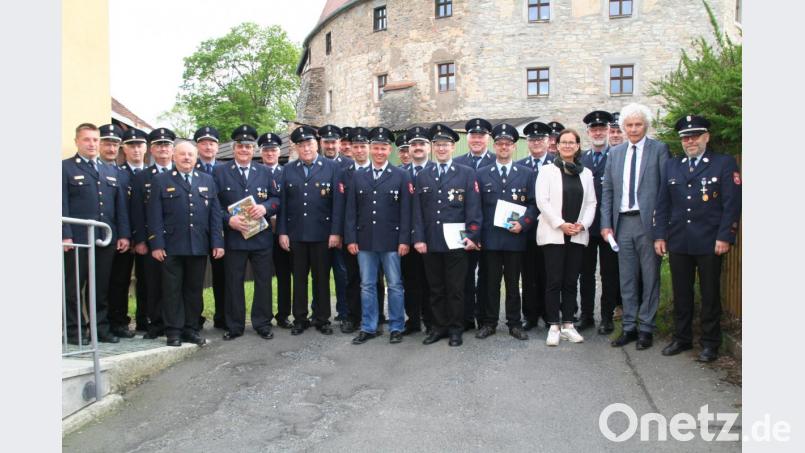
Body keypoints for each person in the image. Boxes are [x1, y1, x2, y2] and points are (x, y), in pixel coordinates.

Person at [654, 115, 741, 362]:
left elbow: (731, 204)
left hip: (710, 240)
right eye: (685, 137)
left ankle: (710, 343)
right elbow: (663, 204)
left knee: (710, 293)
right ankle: (681, 338)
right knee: (682, 293)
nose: (690, 141)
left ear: (706, 137)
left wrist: (725, 236)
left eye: (694, 136)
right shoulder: (672, 165)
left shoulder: (723, 164)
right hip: (679, 239)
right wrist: (660, 234)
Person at [601, 103, 671, 350]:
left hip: (648, 224)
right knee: (627, 278)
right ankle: (629, 327)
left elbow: (665, 191)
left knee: (650, 277)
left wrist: (661, 229)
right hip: (622, 224)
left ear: (646, 125)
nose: (633, 129)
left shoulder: (659, 150)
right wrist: (606, 224)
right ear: (623, 127)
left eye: (638, 124)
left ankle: (647, 328)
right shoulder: (615, 153)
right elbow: (607, 190)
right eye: (629, 125)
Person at [147, 141, 224, 347]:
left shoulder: (207, 180)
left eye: (191, 154)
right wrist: (156, 244)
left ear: (196, 157)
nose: (187, 158)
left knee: (193, 290)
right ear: (174, 156)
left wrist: (217, 241)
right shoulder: (161, 180)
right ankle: (173, 331)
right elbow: (154, 215)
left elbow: (215, 214)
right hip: (171, 246)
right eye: (182, 154)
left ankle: (191, 328)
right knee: (172, 290)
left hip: (198, 245)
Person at [412, 123, 482, 347]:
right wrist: (419, 238)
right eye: (438, 145)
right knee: (435, 288)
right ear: (433, 148)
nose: (441, 149)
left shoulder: (466, 173)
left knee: (456, 288)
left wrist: (473, 235)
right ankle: (438, 327)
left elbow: (473, 208)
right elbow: (418, 211)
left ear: (453, 147)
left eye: (445, 145)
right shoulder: (423, 174)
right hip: (431, 241)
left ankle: (455, 329)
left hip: (457, 241)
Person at [62, 123, 131, 345]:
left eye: (95, 140)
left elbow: (119, 206)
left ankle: (99, 328)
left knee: (100, 287)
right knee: (74, 288)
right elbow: (60, 204)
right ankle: (74, 331)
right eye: (87, 139)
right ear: (77, 142)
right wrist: (65, 235)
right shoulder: (66, 168)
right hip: (78, 240)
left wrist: (122, 235)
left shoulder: (111, 170)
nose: (91, 144)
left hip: (105, 239)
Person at [345, 127, 412, 344]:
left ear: (389, 150)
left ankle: (396, 326)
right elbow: (351, 211)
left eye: (384, 148)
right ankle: (369, 326)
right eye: (376, 147)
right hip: (364, 240)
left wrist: (404, 240)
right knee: (367, 285)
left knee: (394, 284)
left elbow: (405, 212)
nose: (380, 151)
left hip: (392, 241)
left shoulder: (401, 175)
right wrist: (351, 238)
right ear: (370, 149)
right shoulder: (358, 176)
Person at [214, 125, 280, 341]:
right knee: (233, 282)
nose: (245, 150)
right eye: (241, 146)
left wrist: (266, 208)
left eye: (249, 147)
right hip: (235, 237)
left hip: (261, 237)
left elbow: (276, 199)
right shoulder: (220, 172)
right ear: (234, 149)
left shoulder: (264, 171)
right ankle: (235, 325)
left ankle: (262, 323)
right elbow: (213, 206)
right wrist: (228, 220)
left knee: (263, 282)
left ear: (254, 150)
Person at [278, 125, 344, 335]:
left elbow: (337, 204)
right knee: (298, 278)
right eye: (301, 145)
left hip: (322, 234)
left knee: (321, 278)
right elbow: (283, 205)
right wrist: (283, 232)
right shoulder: (288, 169)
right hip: (296, 234)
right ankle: (300, 318)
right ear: (296, 148)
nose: (305, 148)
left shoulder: (332, 168)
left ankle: (322, 318)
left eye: (309, 144)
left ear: (317, 144)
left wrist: (335, 232)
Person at [535, 129, 597, 346]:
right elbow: (542, 201)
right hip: (554, 234)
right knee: (554, 281)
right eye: (564, 142)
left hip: (577, 234)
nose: (568, 146)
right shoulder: (547, 171)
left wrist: (583, 224)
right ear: (557, 146)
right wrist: (561, 224)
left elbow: (591, 203)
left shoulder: (586, 173)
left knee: (571, 281)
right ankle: (553, 325)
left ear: (578, 146)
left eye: (572, 142)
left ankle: (569, 324)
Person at [475, 124, 536, 341]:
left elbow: (533, 204)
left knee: (513, 284)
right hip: (490, 239)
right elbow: (476, 208)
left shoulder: (526, 174)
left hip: (515, 238)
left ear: (513, 147)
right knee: (490, 284)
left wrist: (524, 224)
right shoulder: (482, 174)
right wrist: (476, 236)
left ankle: (514, 323)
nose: (503, 147)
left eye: (507, 144)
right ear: (495, 145)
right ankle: (489, 323)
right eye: (499, 144)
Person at [577, 111, 621, 335]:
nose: (598, 133)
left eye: (602, 129)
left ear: (607, 131)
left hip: (609, 226)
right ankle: (586, 315)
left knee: (609, 273)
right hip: (585, 225)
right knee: (585, 273)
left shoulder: (618, 155)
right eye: (594, 130)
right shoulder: (580, 159)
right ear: (588, 133)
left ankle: (606, 316)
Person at [131, 127, 176, 340]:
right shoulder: (142, 177)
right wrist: (140, 240)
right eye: (159, 145)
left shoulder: (182, 173)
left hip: (177, 240)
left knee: (176, 284)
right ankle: (155, 323)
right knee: (152, 284)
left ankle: (175, 322)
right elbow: (138, 212)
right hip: (152, 240)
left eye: (167, 145)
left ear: (173, 148)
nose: (163, 149)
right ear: (152, 149)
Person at [97, 124, 138, 339]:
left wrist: (126, 234)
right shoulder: (95, 169)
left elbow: (125, 208)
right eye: (106, 143)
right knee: (100, 284)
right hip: (99, 236)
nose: (111, 148)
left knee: (120, 282)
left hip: (121, 237)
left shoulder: (122, 175)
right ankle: (100, 325)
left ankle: (119, 321)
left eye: (114, 144)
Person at [453, 118, 494, 329]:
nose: (477, 140)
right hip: (464, 232)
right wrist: (471, 234)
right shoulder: (458, 163)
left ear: (487, 138)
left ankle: (485, 319)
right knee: (465, 277)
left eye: (481, 136)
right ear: (467, 139)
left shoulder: (497, 161)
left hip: (489, 232)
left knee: (487, 278)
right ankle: (467, 318)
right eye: (473, 136)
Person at [517, 121, 554, 330]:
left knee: (550, 274)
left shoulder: (557, 164)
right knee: (529, 275)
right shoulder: (520, 166)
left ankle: (550, 315)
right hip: (527, 231)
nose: (536, 142)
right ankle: (530, 316)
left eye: (540, 139)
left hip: (551, 229)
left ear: (548, 141)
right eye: (532, 139)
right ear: (527, 142)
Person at [114, 128, 150, 333]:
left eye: (139, 145)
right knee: (120, 280)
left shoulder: (152, 174)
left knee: (146, 281)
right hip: (124, 237)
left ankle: (144, 320)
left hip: (146, 237)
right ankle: (119, 322)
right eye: (131, 145)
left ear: (145, 148)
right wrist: (126, 235)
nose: (136, 149)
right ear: (124, 149)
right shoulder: (117, 174)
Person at [400, 127, 435, 335]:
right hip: (406, 236)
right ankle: (412, 321)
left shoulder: (435, 171)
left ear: (428, 147)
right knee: (410, 281)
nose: (418, 148)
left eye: (421, 144)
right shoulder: (399, 173)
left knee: (431, 282)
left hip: (430, 237)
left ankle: (431, 321)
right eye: (414, 145)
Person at [193, 125, 227, 329]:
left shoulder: (225, 169)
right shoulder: (188, 166)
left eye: (212, 143)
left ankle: (222, 317)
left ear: (218, 146)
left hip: (222, 231)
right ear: (197, 146)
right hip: (195, 230)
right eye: (204, 142)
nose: (208, 146)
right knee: (195, 278)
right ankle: (195, 318)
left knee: (222, 277)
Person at [259, 132, 294, 329]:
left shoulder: (287, 173)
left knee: (284, 275)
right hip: (260, 232)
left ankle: (283, 315)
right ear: (261, 152)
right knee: (263, 276)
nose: (270, 153)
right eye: (266, 150)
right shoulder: (255, 172)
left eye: (273, 150)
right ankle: (264, 315)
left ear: (279, 152)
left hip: (283, 231)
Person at [317, 124, 351, 323]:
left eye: (333, 142)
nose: (330, 146)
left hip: (341, 231)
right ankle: (319, 313)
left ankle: (345, 312)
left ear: (340, 143)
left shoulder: (348, 165)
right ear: (321, 143)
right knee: (320, 274)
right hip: (319, 230)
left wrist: (340, 231)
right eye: (326, 142)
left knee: (342, 273)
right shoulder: (315, 163)